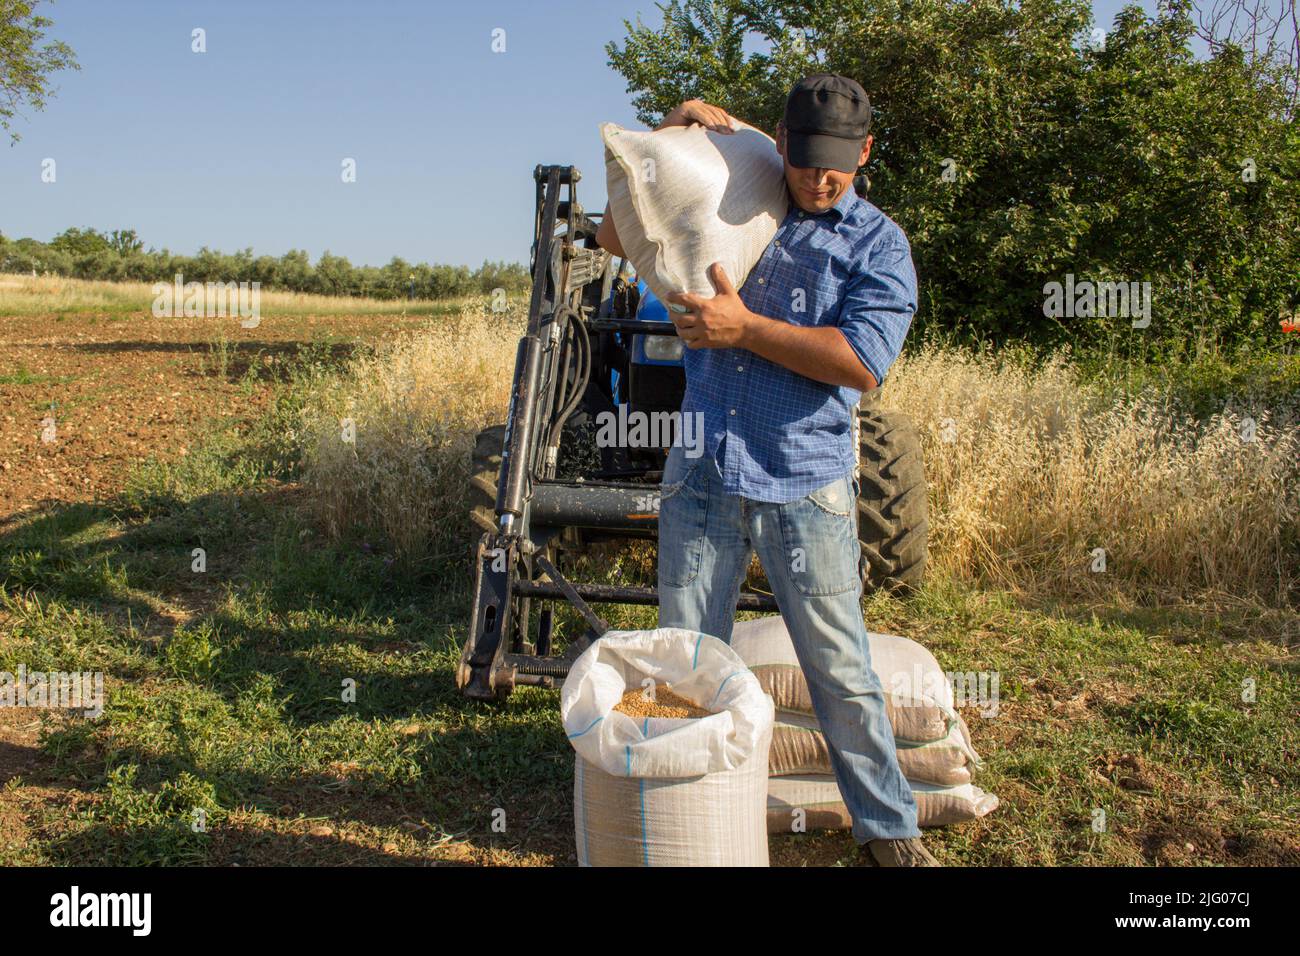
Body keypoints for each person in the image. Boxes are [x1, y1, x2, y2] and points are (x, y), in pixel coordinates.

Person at [596, 74, 937, 867]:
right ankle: (683, 816)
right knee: (686, 653)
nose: (823, 179)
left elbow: (860, 363)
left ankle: (888, 832)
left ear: (866, 152)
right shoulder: (744, 192)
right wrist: (670, 131)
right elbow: (618, 239)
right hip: (704, 466)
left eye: (840, 165)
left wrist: (745, 329)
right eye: (809, 160)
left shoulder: (878, 245)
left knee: (839, 669)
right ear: (780, 145)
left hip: (803, 481)